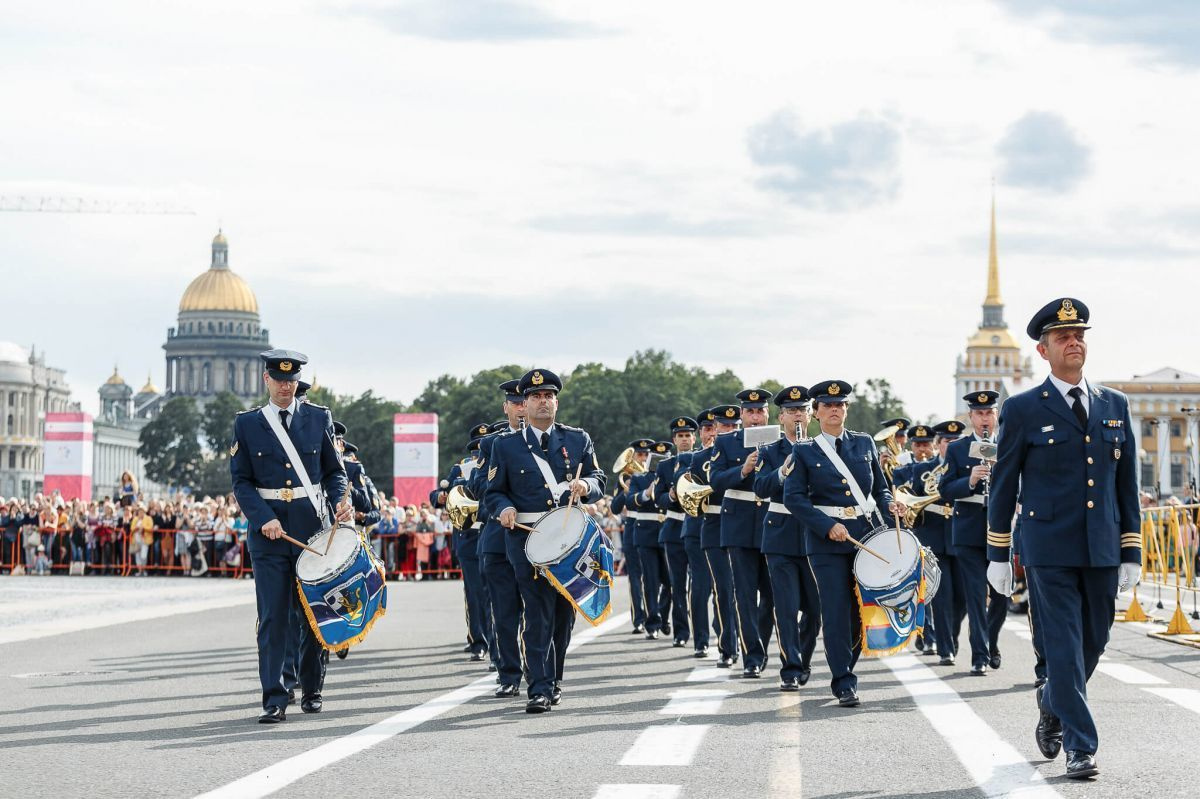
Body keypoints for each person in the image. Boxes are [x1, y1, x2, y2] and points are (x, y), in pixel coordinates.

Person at [987, 298, 1140, 780]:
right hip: (1047, 548)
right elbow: (1004, 482)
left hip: (1101, 546)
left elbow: (1125, 483)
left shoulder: (1115, 404)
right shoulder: (1023, 408)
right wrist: (997, 552)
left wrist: (1130, 549)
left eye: (1079, 335)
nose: (1074, 341)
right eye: (1062, 337)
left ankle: (1051, 700)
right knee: (1065, 646)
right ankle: (1080, 746)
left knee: (1096, 639)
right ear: (1043, 349)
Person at [230, 348, 351, 724]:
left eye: (291, 380)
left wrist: (340, 501)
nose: (286, 386)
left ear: (298, 382)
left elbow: (334, 471)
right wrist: (262, 518)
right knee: (272, 617)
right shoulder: (247, 424)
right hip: (268, 535)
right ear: (266, 379)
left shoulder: (318, 418)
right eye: (279, 380)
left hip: (311, 531)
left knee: (312, 611)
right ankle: (274, 697)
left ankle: (312, 687)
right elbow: (241, 481)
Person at [486, 368, 606, 713]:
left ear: (556, 401)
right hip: (528, 540)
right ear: (525, 403)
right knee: (537, 612)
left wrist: (588, 487)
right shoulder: (504, 446)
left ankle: (553, 679)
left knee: (564, 615)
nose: (543, 401)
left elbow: (599, 477)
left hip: (570, 540)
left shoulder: (577, 439)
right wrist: (504, 508)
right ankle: (538, 687)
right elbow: (493, 492)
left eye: (549, 396)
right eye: (536, 397)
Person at [782, 380, 900, 707]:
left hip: (864, 537)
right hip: (826, 543)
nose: (835, 409)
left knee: (860, 613)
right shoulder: (804, 451)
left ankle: (846, 664)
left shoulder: (864, 445)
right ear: (816, 413)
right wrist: (825, 525)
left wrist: (891, 507)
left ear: (846, 409)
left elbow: (881, 489)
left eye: (841, 404)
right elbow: (794, 499)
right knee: (834, 611)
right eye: (828, 405)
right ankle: (843, 681)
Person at [755, 385, 821, 690]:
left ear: (810, 415)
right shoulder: (769, 451)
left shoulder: (821, 448)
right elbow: (760, 488)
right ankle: (790, 668)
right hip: (780, 533)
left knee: (815, 609)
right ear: (781, 417)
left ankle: (803, 659)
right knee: (785, 606)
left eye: (802, 410)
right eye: (792, 411)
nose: (798, 415)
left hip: (814, 533)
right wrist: (780, 473)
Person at [938, 390, 1007, 676]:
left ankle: (990, 641)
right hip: (968, 529)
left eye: (989, 413)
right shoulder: (958, 448)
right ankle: (979, 654)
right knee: (976, 595)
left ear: (995, 416)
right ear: (971, 417)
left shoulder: (1006, 445)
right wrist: (970, 479)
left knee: (1001, 594)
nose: (984, 419)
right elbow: (944, 489)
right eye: (979, 414)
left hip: (1000, 529)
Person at [709, 388, 776, 678]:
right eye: (750, 412)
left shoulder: (780, 440)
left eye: (760, 411)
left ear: (767, 414)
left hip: (772, 525)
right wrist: (744, 471)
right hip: (738, 526)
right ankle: (752, 656)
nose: (755, 417)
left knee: (772, 596)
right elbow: (715, 480)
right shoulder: (726, 442)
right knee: (744, 595)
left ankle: (761, 644)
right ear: (741, 415)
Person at [474, 383, 528, 696]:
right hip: (499, 537)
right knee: (505, 613)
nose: (522, 407)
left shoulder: (550, 441)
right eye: (516, 402)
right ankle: (509, 673)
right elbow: (481, 485)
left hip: (539, 537)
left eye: (526, 401)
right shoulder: (491, 444)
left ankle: (542, 671)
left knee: (540, 611)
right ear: (506, 407)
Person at [692, 404, 742, 668]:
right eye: (723, 426)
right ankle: (727, 646)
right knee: (723, 590)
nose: (728, 431)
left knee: (744, 592)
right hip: (713, 525)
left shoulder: (752, 453)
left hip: (743, 525)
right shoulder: (700, 459)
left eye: (734, 426)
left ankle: (747, 644)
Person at [655, 419, 699, 649]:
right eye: (680, 436)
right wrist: (671, 496)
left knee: (702, 584)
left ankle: (706, 629)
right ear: (674, 440)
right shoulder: (665, 466)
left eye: (688, 435)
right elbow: (657, 498)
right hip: (673, 529)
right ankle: (681, 632)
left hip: (696, 527)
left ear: (694, 438)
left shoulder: (702, 459)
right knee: (677, 584)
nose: (684, 439)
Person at [681, 410, 717, 658]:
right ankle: (701, 640)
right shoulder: (692, 459)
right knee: (700, 586)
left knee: (727, 588)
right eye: (706, 429)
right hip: (696, 528)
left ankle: (725, 632)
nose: (711, 433)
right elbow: (680, 487)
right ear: (701, 434)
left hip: (725, 527)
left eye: (715, 428)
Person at [626, 439, 670, 640]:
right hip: (646, 534)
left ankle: (663, 614)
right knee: (650, 581)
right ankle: (652, 622)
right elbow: (630, 501)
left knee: (671, 581)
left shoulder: (673, 476)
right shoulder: (640, 478)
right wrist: (647, 493)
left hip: (669, 531)